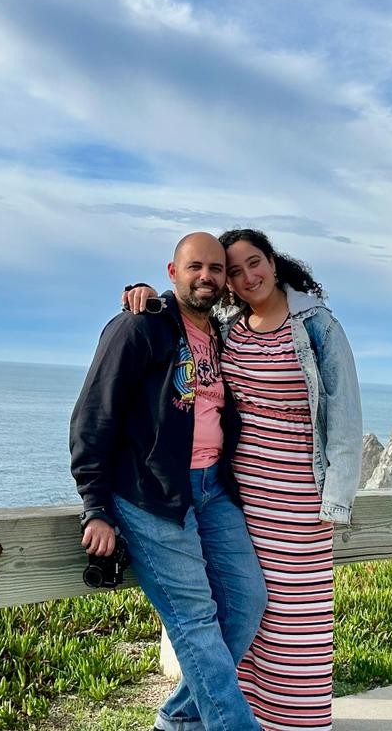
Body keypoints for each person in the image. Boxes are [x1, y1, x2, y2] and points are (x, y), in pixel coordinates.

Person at [126, 228, 363, 731]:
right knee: (252, 612)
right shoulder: (228, 327)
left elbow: (344, 415)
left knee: (298, 622)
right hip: (239, 494)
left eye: (253, 263)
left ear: (274, 262)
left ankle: (296, 722)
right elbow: (181, 318)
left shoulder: (316, 325)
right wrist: (144, 292)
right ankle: (235, 715)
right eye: (234, 271)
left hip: (300, 496)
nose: (245, 276)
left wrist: (336, 500)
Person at [70, 232, 266, 731]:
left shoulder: (222, 336)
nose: (207, 276)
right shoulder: (139, 328)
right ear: (172, 271)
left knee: (245, 605)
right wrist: (95, 507)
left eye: (217, 269)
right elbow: (94, 416)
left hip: (212, 490)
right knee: (196, 621)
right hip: (150, 496)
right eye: (195, 266)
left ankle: (179, 718)